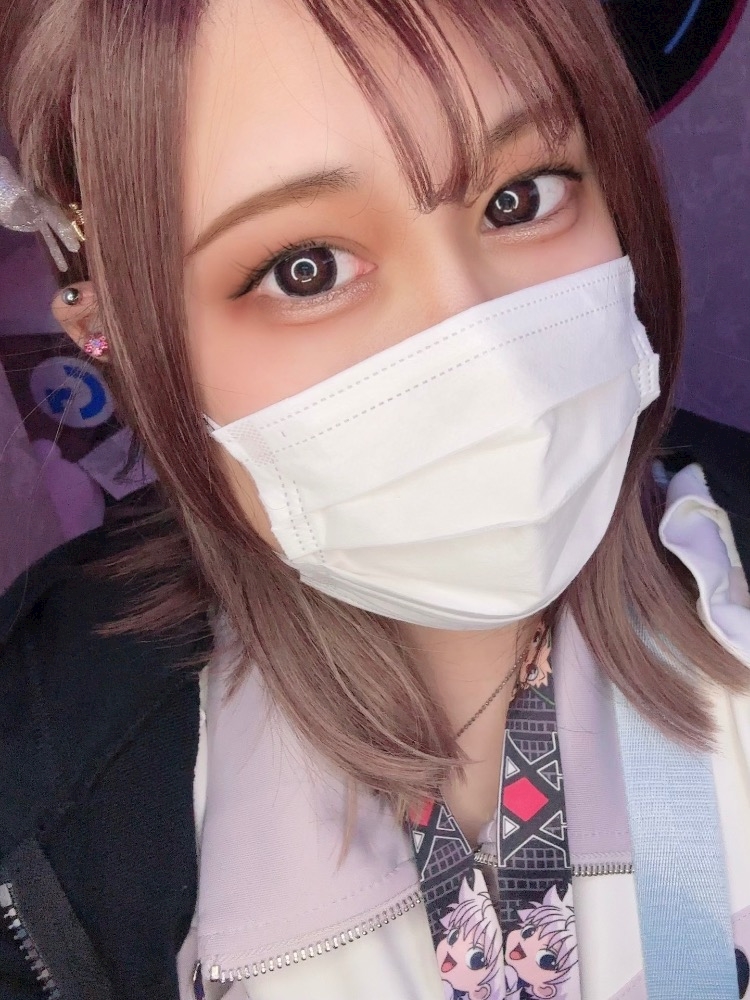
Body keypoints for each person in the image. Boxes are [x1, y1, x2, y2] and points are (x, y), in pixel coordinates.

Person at [0, 1, 749, 999]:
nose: (487, 359)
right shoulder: (45, 792)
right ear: (115, 335)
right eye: (304, 269)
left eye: (521, 198)